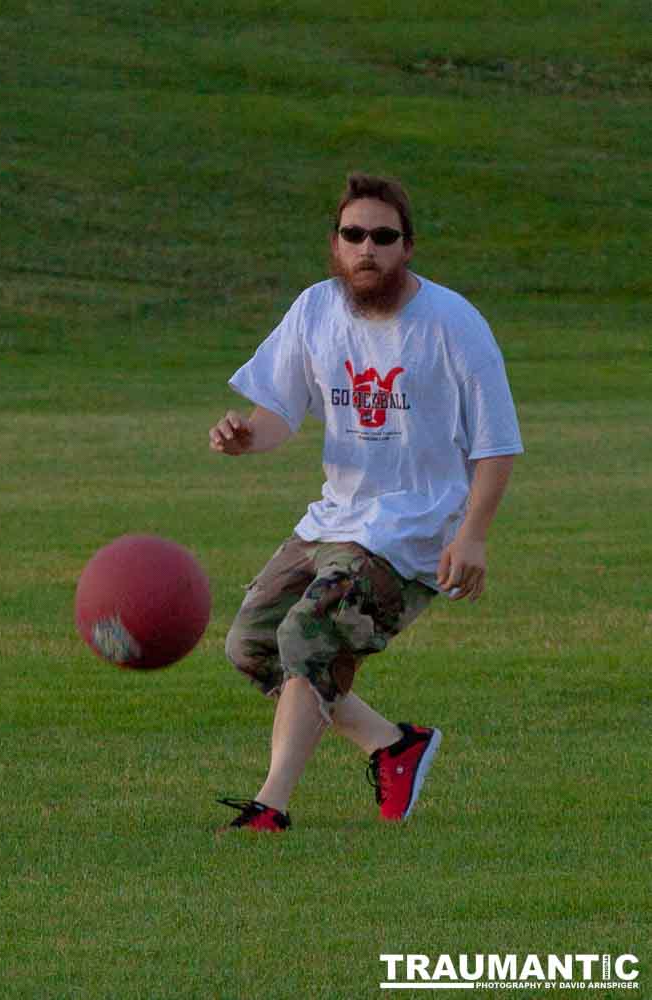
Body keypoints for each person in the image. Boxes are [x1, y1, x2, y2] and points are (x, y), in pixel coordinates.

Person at [209, 172, 523, 832]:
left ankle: (270, 806)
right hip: (336, 515)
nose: (367, 248)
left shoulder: (451, 324)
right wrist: (244, 437)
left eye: (383, 236)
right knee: (253, 646)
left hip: (413, 527)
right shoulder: (315, 309)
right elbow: (279, 414)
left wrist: (470, 536)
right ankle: (393, 745)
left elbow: (497, 444)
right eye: (354, 235)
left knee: (308, 635)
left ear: (408, 247)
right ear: (335, 243)